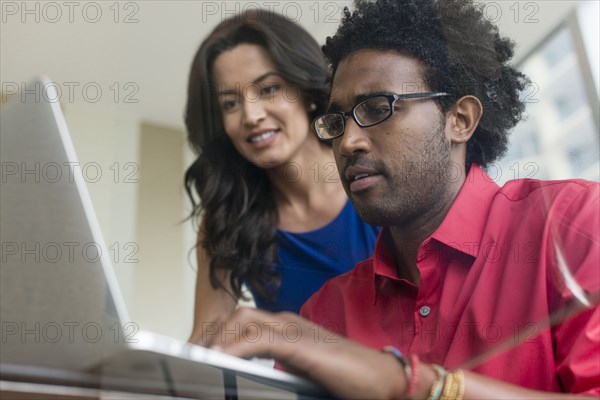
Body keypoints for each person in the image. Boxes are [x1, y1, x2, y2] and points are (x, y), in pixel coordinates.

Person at [206, 0, 600, 398]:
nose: (347, 142)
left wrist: (410, 383)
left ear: (459, 119)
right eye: (338, 122)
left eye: (377, 109)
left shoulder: (572, 227)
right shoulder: (325, 312)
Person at [184, 10, 379, 344]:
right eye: (230, 104)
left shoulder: (371, 179)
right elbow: (207, 339)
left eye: (269, 89)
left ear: (306, 92)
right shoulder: (230, 215)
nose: (252, 115)